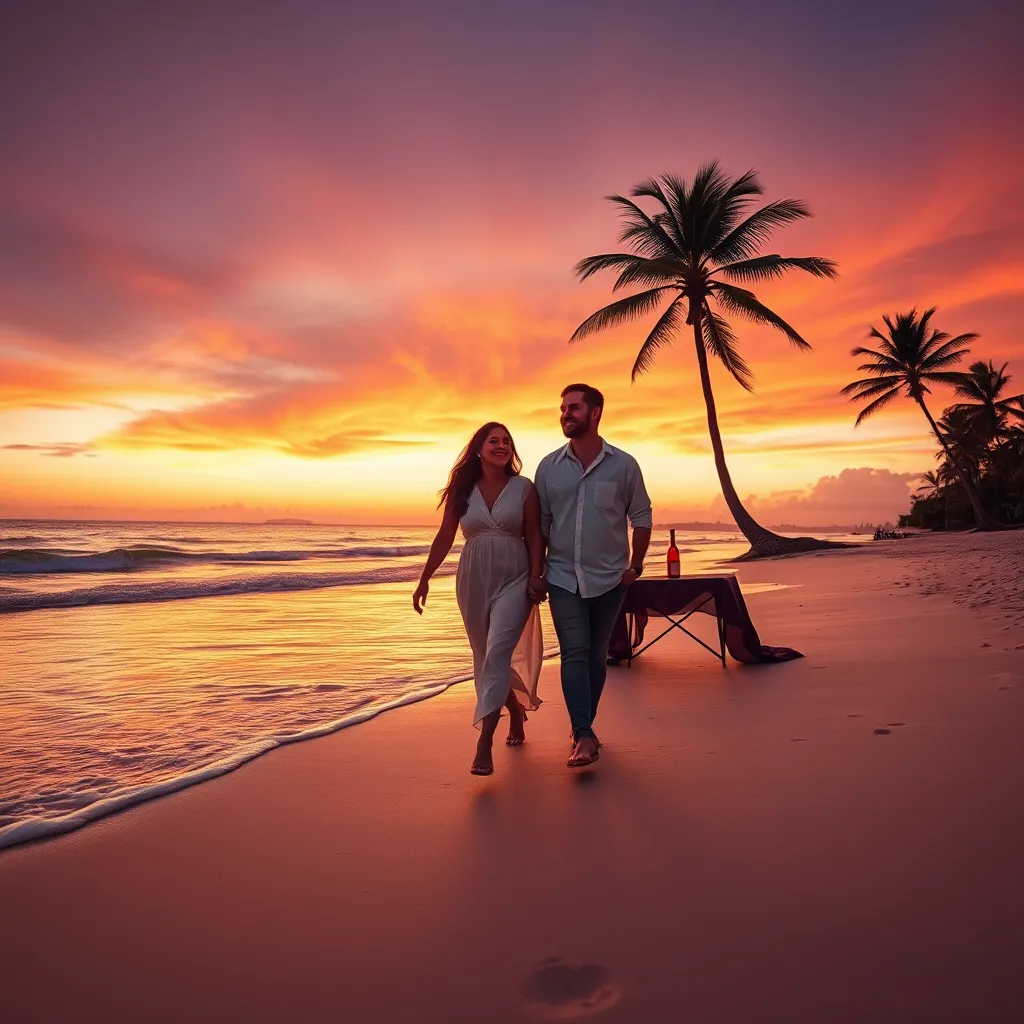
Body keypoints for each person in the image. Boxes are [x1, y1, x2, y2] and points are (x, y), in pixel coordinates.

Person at [413, 422, 545, 776]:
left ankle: (484, 739)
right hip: (473, 579)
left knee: (498, 651)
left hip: (515, 578)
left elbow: (534, 535)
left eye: (506, 441)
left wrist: (536, 575)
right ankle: (515, 710)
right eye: (493, 441)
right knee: (485, 657)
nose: (501, 446)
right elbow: (444, 537)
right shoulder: (463, 490)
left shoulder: (523, 488)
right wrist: (424, 577)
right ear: (479, 448)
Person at [534, 384, 652, 768]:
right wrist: (536, 573)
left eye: (573, 407)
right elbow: (541, 526)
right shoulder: (548, 468)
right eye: (562, 408)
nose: (565, 414)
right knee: (575, 652)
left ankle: (582, 727)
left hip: (610, 580)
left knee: (597, 658)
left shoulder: (624, 465)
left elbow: (642, 516)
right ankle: (584, 734)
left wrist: (636, 565)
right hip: (563, 576)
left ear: (596, 412)